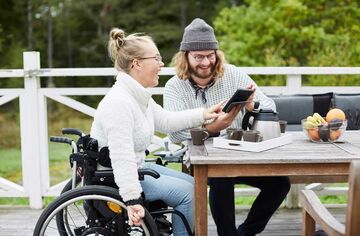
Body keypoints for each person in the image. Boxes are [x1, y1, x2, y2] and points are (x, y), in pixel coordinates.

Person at [164, 18, 291, 236]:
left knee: (281, 184)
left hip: (240, 152)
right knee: (222, 177)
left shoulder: (232, 73)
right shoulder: (174, 86)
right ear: (185, 57)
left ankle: (244, 233)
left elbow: (271, 105)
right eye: (199, 57)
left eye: (210, 55)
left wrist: (253, 105)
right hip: (200, 157)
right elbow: (174, 133)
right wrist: (211, 129)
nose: (206, 62)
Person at [90, 27, 222, 236]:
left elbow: (167, 120)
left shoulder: (137, 96)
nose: (161, 64)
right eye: (156, 58)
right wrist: (132, 200)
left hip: (136, 166)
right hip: (116, 176)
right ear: (137, 64)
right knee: (188, 193)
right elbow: (121, 157)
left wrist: (204, 114)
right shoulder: (119, 103)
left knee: (193, 183)